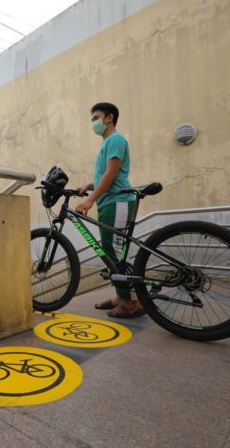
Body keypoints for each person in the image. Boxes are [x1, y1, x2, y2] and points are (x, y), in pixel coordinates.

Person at [74, 102, 145, 318]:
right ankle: (121, 296)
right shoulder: (107, 143)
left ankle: (132, 303)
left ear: (109, 118)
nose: (94, 123)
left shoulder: (116, 140)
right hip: (109, 202)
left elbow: (112, 173)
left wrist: (90, 200)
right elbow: (105, 175)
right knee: (110, 249)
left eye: (96, 118)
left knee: (114, 251)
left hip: (118, 202)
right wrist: (88, 186)